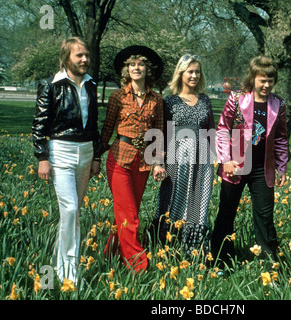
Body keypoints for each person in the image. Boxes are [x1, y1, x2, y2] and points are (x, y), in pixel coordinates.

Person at [32, 37, 102, 285]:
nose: (85, 60)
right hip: (60, 151)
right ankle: (69, 275)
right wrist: (42, 157)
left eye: (87, 55)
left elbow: (93, 124)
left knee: (72, 213)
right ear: (66, 58)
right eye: (79, 56)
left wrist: (96, 155)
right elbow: (39, 124)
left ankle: (57, 262)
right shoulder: (51, 85)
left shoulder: (92, 84)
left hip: (85, 152)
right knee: (70, 209)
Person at [211, 56, 289, 268]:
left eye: (270, 80)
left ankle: (270, 266)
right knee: (226, 213)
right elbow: (222, 130)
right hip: (235, 166)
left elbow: (281, 137)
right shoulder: (236, 99)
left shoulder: (278, 104)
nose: (266, 85)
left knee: (265, 217)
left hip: (262, 170)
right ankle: (220, 262)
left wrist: (282, 167)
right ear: (253, 78)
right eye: (262, 80)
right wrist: (225, 160)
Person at [100, 45, 165, 272]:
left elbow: (158, 133)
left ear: (148, 69)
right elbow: (107, 128)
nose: (136, 68)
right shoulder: (117, 96)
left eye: (141, 64)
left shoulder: (156, 99)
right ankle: (138, 265)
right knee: (129, 215)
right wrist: (97, 157)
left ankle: (110, 254)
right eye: (132, 64)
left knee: (129, 214)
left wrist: (158, 162)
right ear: (126, 70)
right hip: (119, 160)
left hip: (144, 161)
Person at [151, 54, 215, 256]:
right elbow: (161, 133)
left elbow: (211, 130)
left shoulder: (205, 100)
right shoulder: (169, 102)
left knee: (198, 202)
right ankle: (166, 247)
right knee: (173, 200)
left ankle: (193, 250)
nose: (194, 75)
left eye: (197, 71)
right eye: (190, 71)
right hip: (177, 159)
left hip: (202, 159)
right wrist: (158, 162)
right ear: (181, 74)